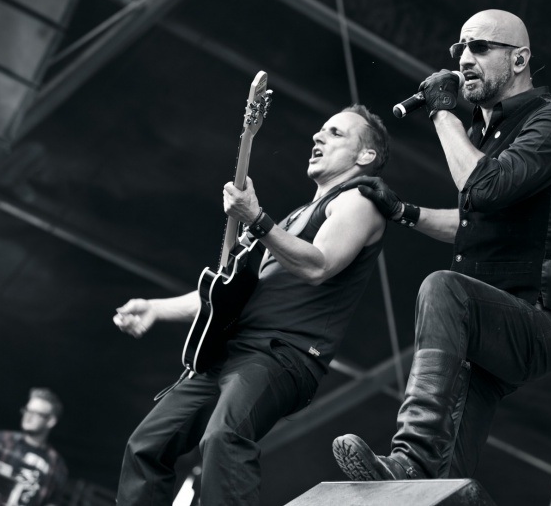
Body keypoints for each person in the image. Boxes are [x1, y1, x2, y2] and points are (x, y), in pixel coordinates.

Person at [332, 9, 551, 481]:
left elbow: (483, 189)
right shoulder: (481, 135)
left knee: (443, 287)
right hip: (480, 323)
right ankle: (417, 480)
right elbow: (474, 220)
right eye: (459, 49)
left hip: (533, 319)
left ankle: (409, 455)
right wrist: (404, 212)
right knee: (448, 474)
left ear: (520, 60)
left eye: (480, 47)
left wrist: (439, 112)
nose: (464, 58)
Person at [113, 105, 389, 505]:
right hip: (232, 352)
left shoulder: (359, 200)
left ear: (366, 155)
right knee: (147, 445)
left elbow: (319, 266)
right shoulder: (292, 220)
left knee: (224, 436)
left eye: (335, 133)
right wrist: (156, 308)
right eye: (320, 130)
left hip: (281, 354)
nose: (318, 137)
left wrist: (258, 219)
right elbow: (229, 294)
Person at [0, 388, 68, 506]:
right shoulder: (1, 440)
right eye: (27, 410)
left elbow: (53, 502)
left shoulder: (56, 465)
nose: (28, 417)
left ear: (51, 421)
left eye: (36, 414)